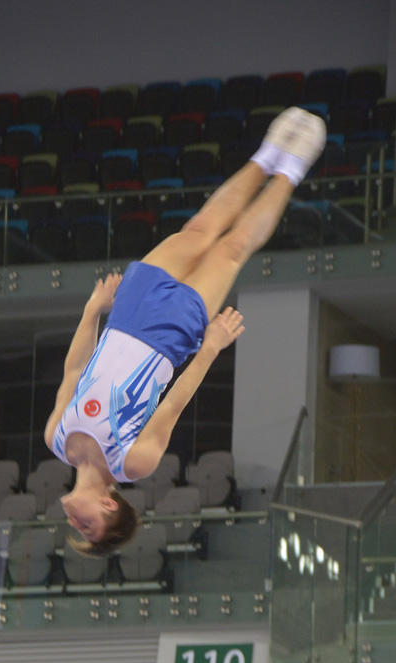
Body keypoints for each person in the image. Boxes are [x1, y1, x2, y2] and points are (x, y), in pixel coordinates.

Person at [44, 106, 326, 554]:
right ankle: (291, 169)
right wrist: (210, 347)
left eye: (79, 532)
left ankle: (267, 155)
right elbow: (174, 403)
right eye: (90, 529)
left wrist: (92, 312)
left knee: (198, 229)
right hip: (169, 337)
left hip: (126, 315)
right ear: (110, 507)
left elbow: (74, 370)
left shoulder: (57, 438)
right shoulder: (133, 463)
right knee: (231, 249)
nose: (78, 524)